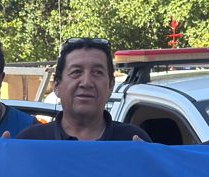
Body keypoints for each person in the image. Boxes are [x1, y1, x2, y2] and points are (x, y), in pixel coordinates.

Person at [17, 38, 149, 143]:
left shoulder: (133, 141)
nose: (86, 83)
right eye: (76, 72)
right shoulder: (30, 142)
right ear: (57, 85)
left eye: (97, 72)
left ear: (110, 86)